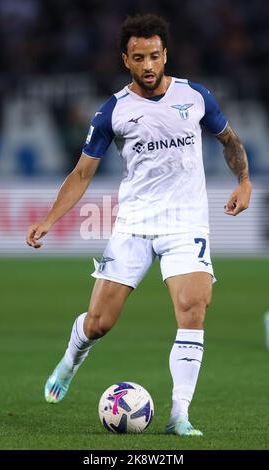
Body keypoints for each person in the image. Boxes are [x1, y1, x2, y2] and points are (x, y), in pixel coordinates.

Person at [26, 14, 252, 437]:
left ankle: (179, 415)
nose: (147, 65)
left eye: (153, 56)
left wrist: (244, 180)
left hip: (186, 224)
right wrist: (49, 219)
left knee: (193, 310)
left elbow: (229, 140)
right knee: (100, 322)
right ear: (125, 60)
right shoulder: (113, 111)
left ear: (165, 54)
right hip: (134, 223)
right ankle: (72, 357)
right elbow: (81, 174)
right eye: (137, 58)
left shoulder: (195, 96)